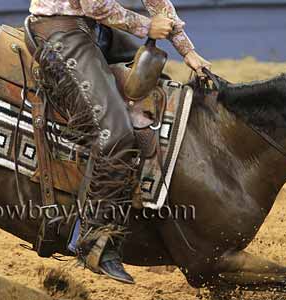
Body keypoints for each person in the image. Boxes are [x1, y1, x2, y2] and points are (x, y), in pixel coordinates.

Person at [26, 0, 211, 284]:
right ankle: (92, 239)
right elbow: (96, 6)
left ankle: (148, 208)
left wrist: (187, 50)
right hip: (60, 32)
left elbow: (157, 3)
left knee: (155, 85)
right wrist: (148, 27)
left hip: (94, 30)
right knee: (114, 134)